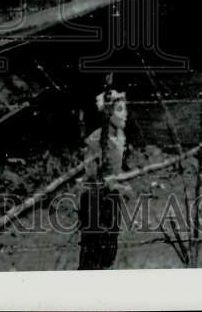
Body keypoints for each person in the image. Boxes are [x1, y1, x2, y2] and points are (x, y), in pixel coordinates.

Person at [78, 89, 128, 270]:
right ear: (108, 113)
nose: (125, 114)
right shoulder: (97, 139)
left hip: (112, 197)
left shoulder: (120, 137)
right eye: (120, 109)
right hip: (96, 199)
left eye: (125, 109)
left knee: (110, 246)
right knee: (93, 249)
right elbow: (90, 172)